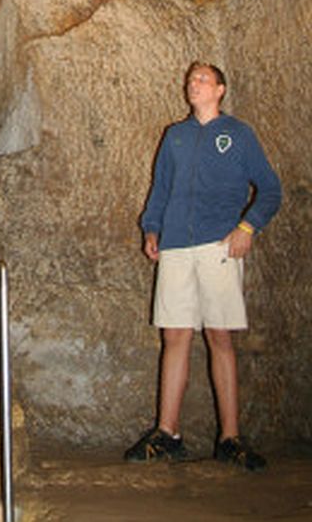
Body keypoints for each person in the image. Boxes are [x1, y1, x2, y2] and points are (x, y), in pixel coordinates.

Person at [125, 62, 282, 471]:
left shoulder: (239, 134)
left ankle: (230, 437)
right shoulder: (174, 136)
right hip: (176, 245)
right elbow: (160, 187)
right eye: (190, 79)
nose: (193, 85)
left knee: (219, 337)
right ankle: (167, 432)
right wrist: (152, 227)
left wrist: (248, 227)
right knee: (174, 336)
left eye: (202, 80)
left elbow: (270, 189)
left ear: (221, 89)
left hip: (218, 245)